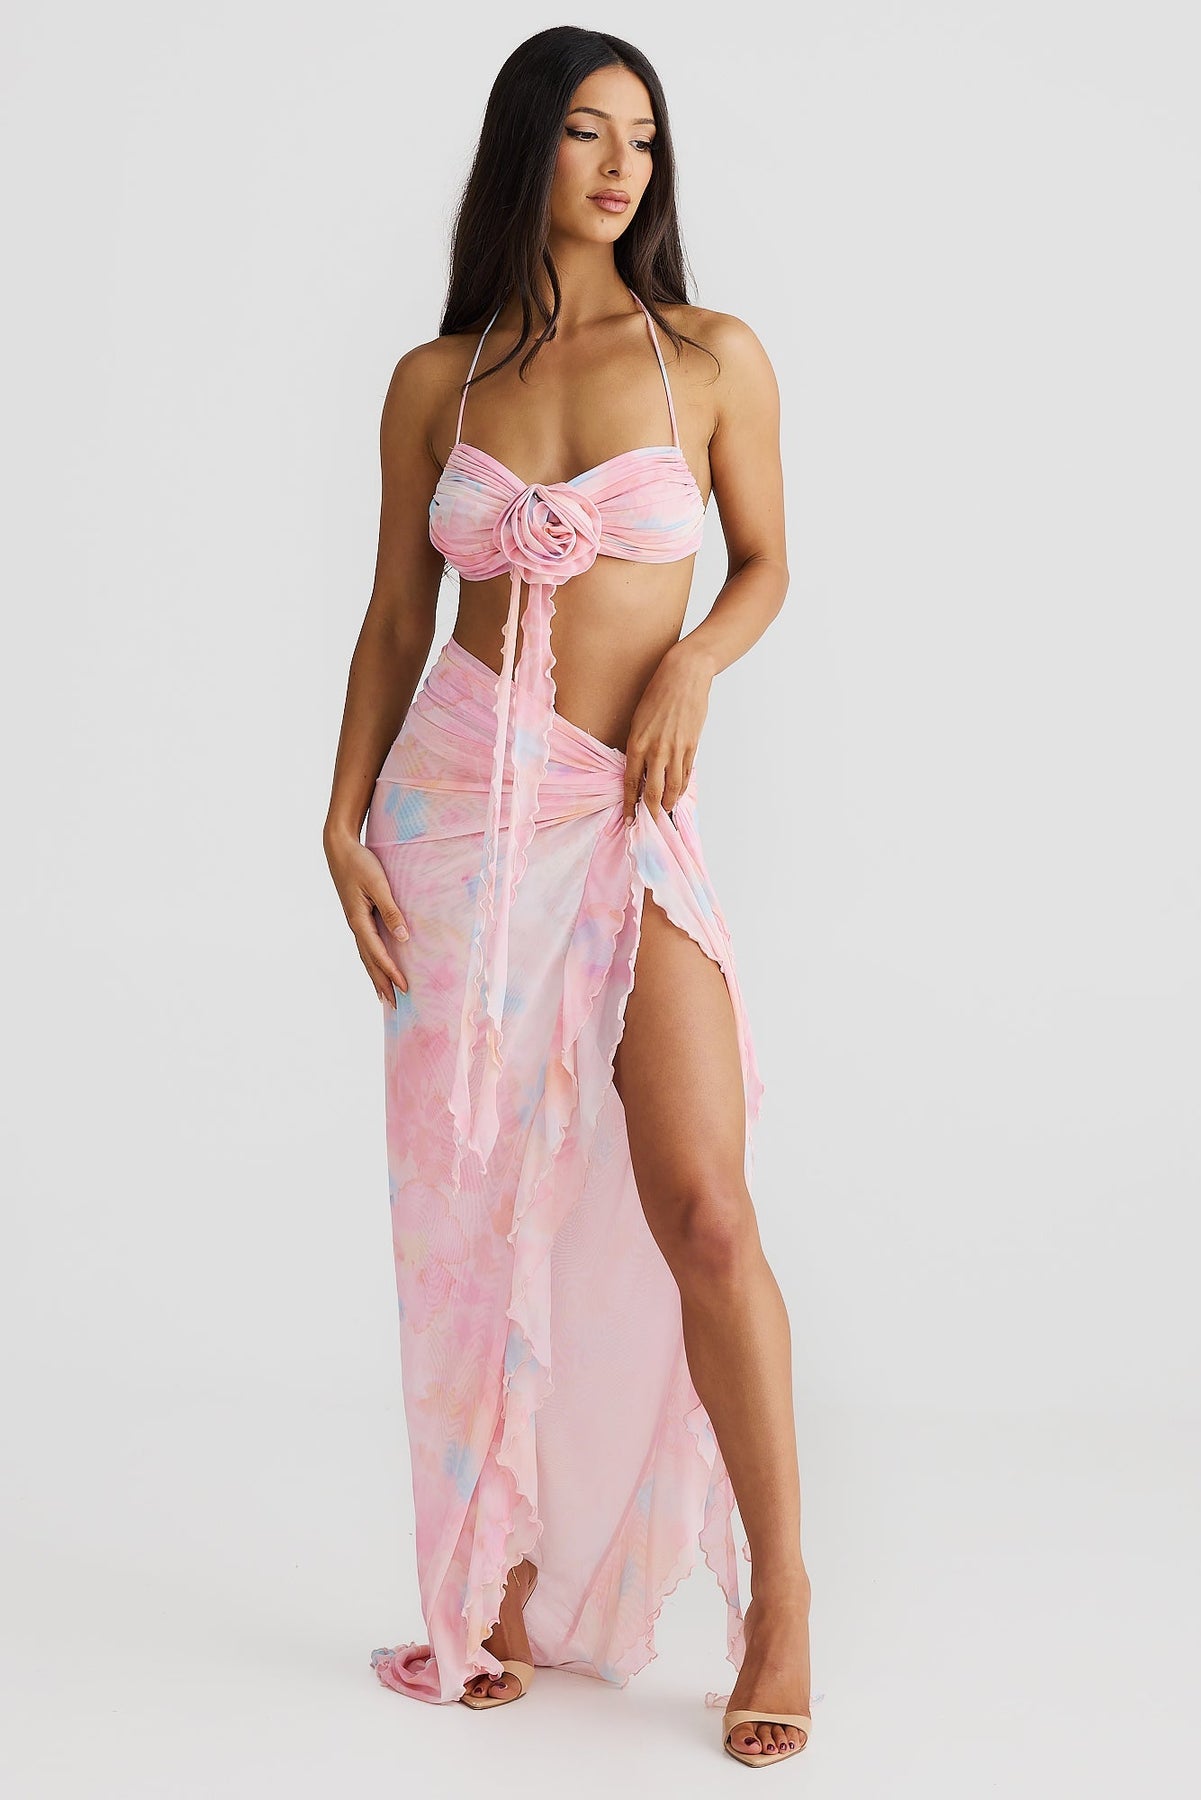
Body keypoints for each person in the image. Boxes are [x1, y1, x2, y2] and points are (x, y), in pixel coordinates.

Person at [322, 25, 814, 1768]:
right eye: (589, 133)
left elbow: (764, 563)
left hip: (621, 811)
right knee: (474, 1213)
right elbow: (397, 616)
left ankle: (777, 1599)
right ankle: (497, 1577)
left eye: (644, 140)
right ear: (525, 147)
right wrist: (337, 819)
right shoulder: (435, 382)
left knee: (702, 1207)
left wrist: (690, 665)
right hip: (454, 817)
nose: (621, 167)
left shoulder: (708, 357)